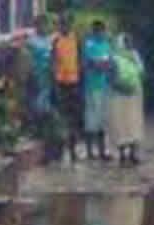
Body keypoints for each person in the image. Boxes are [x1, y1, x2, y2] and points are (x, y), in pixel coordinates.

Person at [107, 33, 146, 166]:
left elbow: (142, 73)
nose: (129, 44)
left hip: (134, 96)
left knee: (134, 123)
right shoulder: (113, 58)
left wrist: (134, 83)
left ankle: (133, 153)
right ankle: (122, 155)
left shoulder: (135, 56)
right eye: (126, 42)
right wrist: (122, 87)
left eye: (130, 42)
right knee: (121, 124)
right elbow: (110, 78)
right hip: (119, 97)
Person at [81, 20, 115, 162]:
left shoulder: (107, 45)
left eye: (103, 31)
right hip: (92, 87)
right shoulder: (89, 45)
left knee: (103, 120)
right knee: (91, 119)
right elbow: (91, 63)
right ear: (94, 31)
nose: (102, 33)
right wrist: (102, 64)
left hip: (105, 86)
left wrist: (102, 64)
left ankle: (102, 151)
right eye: (99, 31)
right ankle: (89, 151)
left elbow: (110, 63)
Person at [52, 14, 81, 162]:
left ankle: (73, 149)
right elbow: (52, 61)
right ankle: (60, 149)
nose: (65, 27)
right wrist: (54, 80)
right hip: (60, 83)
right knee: (61, 116)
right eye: (63, 24)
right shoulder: (56, 40)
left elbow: (80, 59)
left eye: (68, 24)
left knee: (73, 117)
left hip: (74, 82)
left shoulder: (76, 39)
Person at [26, 15, 55, 122]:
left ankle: (44, 122)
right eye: (40, 24)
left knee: (45, 98)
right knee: (35, 99)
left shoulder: (50, 39)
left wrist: (52, 69)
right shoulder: (31, 40)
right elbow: (27, 58)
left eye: (45, 24)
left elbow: (52, 56)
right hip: (35, 74)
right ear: (36, 26)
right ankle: (35, 122)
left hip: (47, 74)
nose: (43, 27)